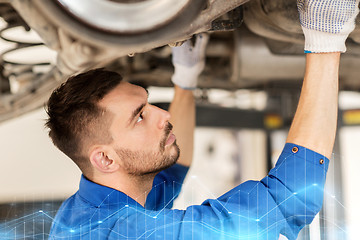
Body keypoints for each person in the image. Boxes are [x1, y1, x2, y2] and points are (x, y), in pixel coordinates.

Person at [47, 0, 359, 239]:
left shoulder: (96, 206)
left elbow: (170, 175)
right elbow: (287, 203)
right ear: (104, 158)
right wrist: (325, 38)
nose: (163, 113)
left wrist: (185, 78)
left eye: (147, 103)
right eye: (139, 117)